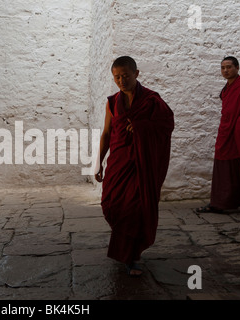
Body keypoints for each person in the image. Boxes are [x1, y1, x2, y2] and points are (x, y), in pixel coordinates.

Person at [95, 56, 174, 276]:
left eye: (126, 75)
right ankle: (127, 250)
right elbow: (107, 133)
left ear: (136, 74)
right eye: (117, 77)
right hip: (119, 162)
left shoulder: (151, 100)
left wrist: (141, 126)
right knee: (112, 204)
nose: (121, 80)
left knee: (135, 208)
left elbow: (167, 123)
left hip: (142, 164)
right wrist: (99, 161)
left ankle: (132, 257)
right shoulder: (112, 102)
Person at [196, 57, 240, 213]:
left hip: (239, 131)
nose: (226, 70)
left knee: (238, 165)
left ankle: (229, 202)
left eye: (229, 67)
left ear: (237, 67)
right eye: (223, 68)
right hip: (226, 130)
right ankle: (219, 201)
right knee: (223, 164)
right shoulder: (226, 89)